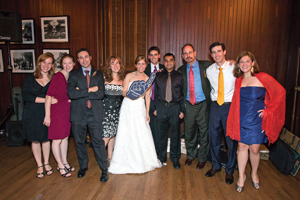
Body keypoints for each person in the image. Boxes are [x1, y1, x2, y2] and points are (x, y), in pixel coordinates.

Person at [227, 51, 286, 192]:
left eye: (247, 61)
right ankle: (241, 176)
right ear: (238, 65)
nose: (244, 64)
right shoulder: (238, 80)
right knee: (241, 148)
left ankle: (254, 173)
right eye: (241, 62)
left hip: (257, 120)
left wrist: (269, 110)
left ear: (253, 63)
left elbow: (280, 92)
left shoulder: (262, 77)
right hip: (241, 119)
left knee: (254, 150)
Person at [108, 55, 161, 174]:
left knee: (140, 131)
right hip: (128, 106)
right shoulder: (129, 75)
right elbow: (123, 91)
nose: (141, 66)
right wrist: (132, 94)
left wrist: (147, 113)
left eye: (143, 64)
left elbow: (148, 97)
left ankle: (142, 159)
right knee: (127, 131)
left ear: (146, 65)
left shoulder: (148, 78)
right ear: (135, 65)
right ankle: (123, 159)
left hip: (139, 107)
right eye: (139, 64)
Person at [67, 48, 108, 182]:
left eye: (86, 57)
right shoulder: (73, 75)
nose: (84, 60)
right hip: (78, 114)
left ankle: (104, 169)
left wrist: (82, 91)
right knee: (79, 142)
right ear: (78, 60)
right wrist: (91, 89)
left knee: (98, 142)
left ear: (90, 57)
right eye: (81, 58)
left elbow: (101, 94)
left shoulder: (98, 74)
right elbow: (71, 94)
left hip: (95, 114)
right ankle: (83, 167)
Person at [205, 42, 237, 184]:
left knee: (230, 141)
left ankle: (230, 170)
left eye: (219, 51)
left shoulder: (234, 67)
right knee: (214, 138)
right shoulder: (209, 70)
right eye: (213, 52)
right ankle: (216, 166)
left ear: (224, 51)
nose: (216, 54)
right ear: (211, 55)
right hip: (215, 107)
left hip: (230, 107)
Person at [177, 44, 211, 169]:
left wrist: (230, 62)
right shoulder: (180, 71)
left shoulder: (207, 66)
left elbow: (221, 66)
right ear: (182, 56)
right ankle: (191, 156)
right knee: (189, 132)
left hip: (203, 105)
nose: (188, 55)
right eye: (185, 53)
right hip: (188, 105)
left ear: (195, 53)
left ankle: (202, 158)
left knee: (204, 133)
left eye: (190, 52)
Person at [22, 53, 56, 179]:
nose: (46, 65)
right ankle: (39, 165)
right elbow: (26, 96)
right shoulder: (30, 78)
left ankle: (46, 163)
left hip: (47, 112)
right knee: (35, 139)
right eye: (44, 62)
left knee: (46, 138)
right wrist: (47, 100)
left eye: (49, 63)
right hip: (32, 112)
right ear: (39, 63)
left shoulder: (54, 78)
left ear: (52, 65)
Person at [43, 54, 75, 178]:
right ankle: (60, 165)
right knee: (57, 140)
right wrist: (47, 116)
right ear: (62, 64)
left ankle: (64, 161)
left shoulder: (71, 77)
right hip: (56, 112)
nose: (67, 66)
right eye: (65, 63)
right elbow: (48, 96)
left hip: (67, 111)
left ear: (73, 64)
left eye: (70, 63)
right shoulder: (58, 76)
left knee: (65, 138)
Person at [153, 53, 184, 169]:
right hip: (161, 107)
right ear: (163, 62)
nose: (168, 62)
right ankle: (161, 158)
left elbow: (182, 94)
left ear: (174, 62)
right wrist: (156, 108)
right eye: (166, 61)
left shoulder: (179, 76)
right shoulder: (158, 76)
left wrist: (182, 110)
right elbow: (155, 94)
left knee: (176, 134)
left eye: (171, 60)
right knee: (162, 134)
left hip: (175, 108)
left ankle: (175, 158)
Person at [102, 56, 126, 162]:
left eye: (117, 63)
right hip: (105, 111)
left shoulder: (123, 80)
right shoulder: (103, 78)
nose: (115, 65)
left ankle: (110, 157)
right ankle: (100, 158)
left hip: (117, 111)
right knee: (106, 135)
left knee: (113, 135)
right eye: (113, 63)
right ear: (109, 66)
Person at [145, 46, 165, 156]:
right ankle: (149, 152)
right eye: (151, 55)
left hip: (161, 103)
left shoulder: (164, 68)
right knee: (149, 128)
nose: (153, 57)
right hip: (147, 102)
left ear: (159, 56)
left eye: (155, 54)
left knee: (160, 129)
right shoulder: (144, 68)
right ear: (148, 57)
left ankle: (159, 152)